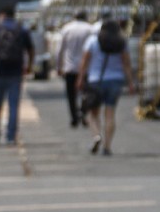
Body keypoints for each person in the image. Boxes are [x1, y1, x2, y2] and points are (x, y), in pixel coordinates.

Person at [77, 19, 136, 156]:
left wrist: (80, 79)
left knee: (93, 114)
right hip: (116, 81)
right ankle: (107, 146)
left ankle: (97, 136)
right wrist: (131, 83)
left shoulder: (92, 41)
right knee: (110, 114)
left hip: (96, 81)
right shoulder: (121, 42)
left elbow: (85, 61)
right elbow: (127, 64)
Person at [0, 6, 34, 145]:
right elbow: (30, 49)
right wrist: (29, 66)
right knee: (13, 105)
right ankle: (10, 136)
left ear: (2, 14)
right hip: (16, 71)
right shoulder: (21, 29)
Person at [57, 11, 94, 128]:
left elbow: (60, 50)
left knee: (71, 94)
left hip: (70, 67)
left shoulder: (66, 29)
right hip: (86, 68)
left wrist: (59, 66)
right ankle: (83, 112)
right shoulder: (90, 29)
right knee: (87, 93)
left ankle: (74, 117)